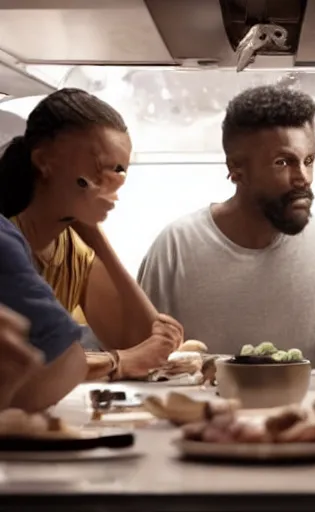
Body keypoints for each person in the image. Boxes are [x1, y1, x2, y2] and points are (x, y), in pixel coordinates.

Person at [137, 85, 315, 365]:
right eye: (282, 162)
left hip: (311, 410)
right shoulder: (176, 246)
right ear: (236, 169)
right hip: (205, 410)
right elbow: (141, 355)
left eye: (308, 161)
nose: (303, 178)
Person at [0, 88, 183, 382]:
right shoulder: (7, 240)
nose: (109, 187)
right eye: (99, 170)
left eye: (118, 172)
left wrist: (98, 240)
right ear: (45, 161)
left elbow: (144, 345)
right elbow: (39, 361)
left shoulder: (74, 250)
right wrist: (119, 362)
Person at [0, 215, 86, 411]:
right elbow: (66, 359)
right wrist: (115, 361)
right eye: (98, 181)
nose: (114, 194)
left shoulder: (78, 252)